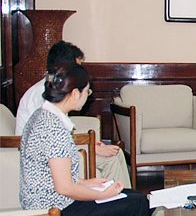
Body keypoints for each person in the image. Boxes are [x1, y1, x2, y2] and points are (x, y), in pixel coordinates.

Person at [19, 62, 162, 216]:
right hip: (53, 210)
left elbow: (55, 175)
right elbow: (64, 188)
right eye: (87, 91)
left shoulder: (45, 116)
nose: (89, 95)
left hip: (53, 201)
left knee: (136, 198)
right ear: (75, 93)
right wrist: (102, 194)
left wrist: (89, 183)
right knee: (138, 203)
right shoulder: (52, 128)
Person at [16, 41, 131, 188]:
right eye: (77, 68)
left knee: (116, 153)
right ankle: (118, 197)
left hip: (52, 150)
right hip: (40, 157)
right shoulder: (43, 96)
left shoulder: (54, 90)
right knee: (111, 158)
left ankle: (125, 196)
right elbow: (50, 141)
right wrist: (90, 146)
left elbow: (59, 134)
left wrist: (92, 143)